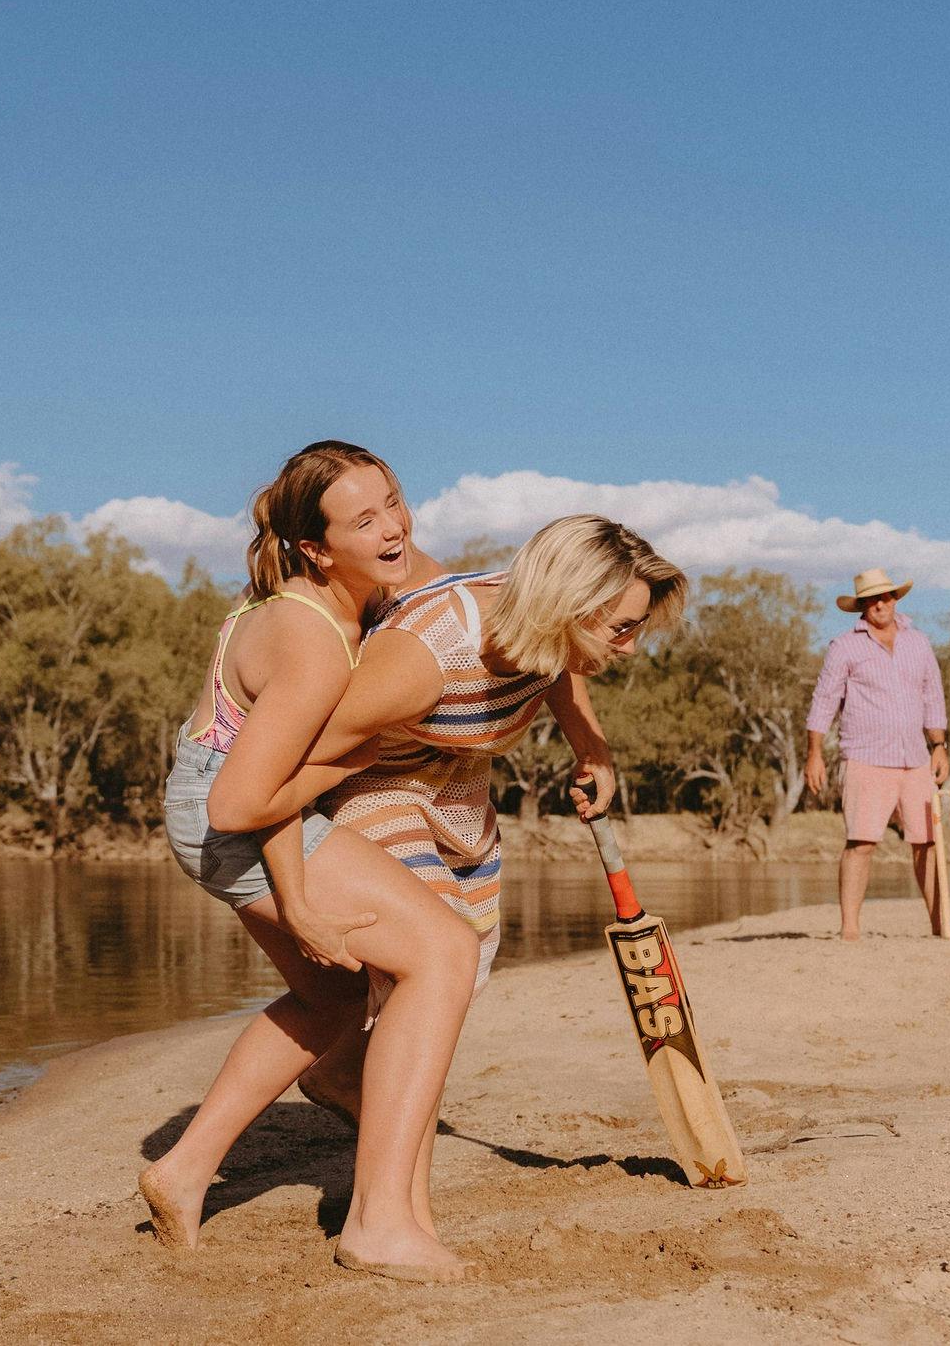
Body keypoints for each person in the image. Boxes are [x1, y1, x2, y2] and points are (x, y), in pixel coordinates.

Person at [140, 441, 478, 1282]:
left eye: (395, 501)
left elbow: (457, 585)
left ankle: (180, 1173)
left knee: (330, 995)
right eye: (365, 520)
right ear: (317, 549)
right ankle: (378, 1227)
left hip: (223, 804)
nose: (395, 527)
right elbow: (248, 800)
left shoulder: (355, 582)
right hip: (231, 817)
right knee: (443, 950)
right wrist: (298, 900)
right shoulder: (312, 638)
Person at [284, 514, 686, 1127]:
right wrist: (290, 887)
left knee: (471, 954)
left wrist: (592, 748)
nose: (630, 647)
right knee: (431, 957)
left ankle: (344, 1075)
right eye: (622, 629)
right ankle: (388, 1166)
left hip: (458, 783)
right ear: (567, 604)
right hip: (369, 779)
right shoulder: (430, 654)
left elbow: (559, 671)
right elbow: (299, 751)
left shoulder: (547, 634)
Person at [803, 567, 950, 940]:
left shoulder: (919, 642)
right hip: (865, 758)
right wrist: (814, 754)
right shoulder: (844, 646)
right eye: (871, 599)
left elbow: (933, 695)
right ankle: (849, 929)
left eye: (885, 596)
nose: (880, 604)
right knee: (861, 842)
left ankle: (939, 925)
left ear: (895, 599)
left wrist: (939, 746)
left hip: (916, 759)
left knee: (927, 843)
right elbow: (824, 701)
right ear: (862, 606)